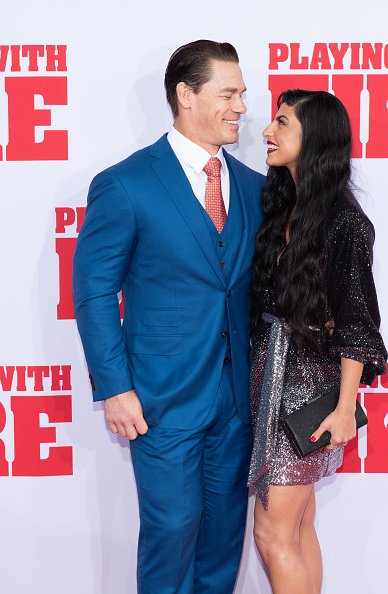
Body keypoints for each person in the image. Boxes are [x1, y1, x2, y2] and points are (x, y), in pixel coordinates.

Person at [73, 40, 265, 594]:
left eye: (243, 94)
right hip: (160, 400)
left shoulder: (254, 188)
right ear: (185, 95)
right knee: (171, 531)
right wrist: (114, 387)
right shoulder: (126, 184)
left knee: (224, 539)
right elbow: (93, 291)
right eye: (228, 93)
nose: (240, 107)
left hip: (235, 401)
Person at [247, 89, 388, 594]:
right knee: (298, 526)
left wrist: (345, 408)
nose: (266, 131)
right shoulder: (283, 209)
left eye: (281, 123)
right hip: (269, 378)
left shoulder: (344, 222)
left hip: (306, 390)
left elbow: (357, 323)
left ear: (315, 141)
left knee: (272, 532)